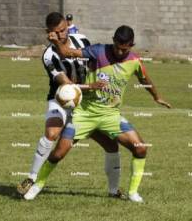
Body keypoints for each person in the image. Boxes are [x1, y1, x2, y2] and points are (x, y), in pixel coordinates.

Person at [24, 25, 172, 203]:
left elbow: (145, 80)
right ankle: (37, 185)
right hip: (84, 113)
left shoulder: (135, 61)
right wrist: (56, 41)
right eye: (116, 46)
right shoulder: (98, 51)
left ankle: (132, 193)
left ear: (131, 45)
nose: (118, 51)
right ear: (113, 40)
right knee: (58, 154)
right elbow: (67, 52)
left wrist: (157, 97)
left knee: (140, 148)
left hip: (110, 116)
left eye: (123, 48)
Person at [17, 12, 125, 199]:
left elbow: (94, 63)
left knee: (110, 144)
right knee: (52, 133)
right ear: (48, 33)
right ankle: (32, 178)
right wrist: (89, 85)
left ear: (67, 25)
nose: (61, 35)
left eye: (63, 30)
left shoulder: (82, 40)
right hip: (60, 100)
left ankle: (114, 191)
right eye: (56, 33)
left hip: (86, 103)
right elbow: (66, 85)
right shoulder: (48, 56)